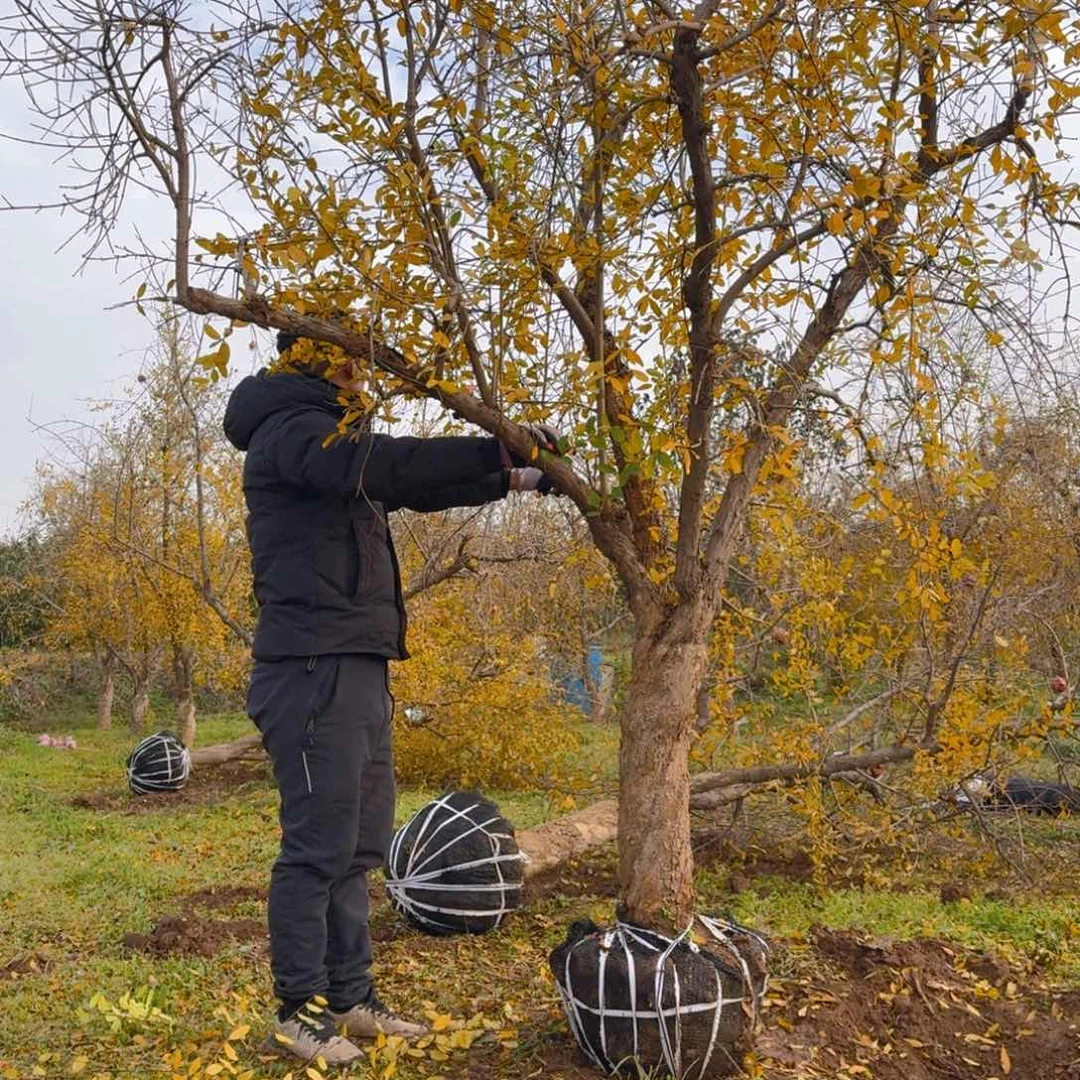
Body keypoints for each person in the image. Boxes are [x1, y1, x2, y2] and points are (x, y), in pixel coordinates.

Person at [223, 330, 559, 1067]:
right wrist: (497, 447)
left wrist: (518, 477)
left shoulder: (334, 438)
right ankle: (299, 1011)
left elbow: (412, 489)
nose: (360, 368)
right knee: (316, 849)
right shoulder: (293, 432)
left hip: (359, 663)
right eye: (347, 355)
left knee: (359, 845)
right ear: (310, 357)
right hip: (311, 667)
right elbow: (393, 467)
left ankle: (350, 998)